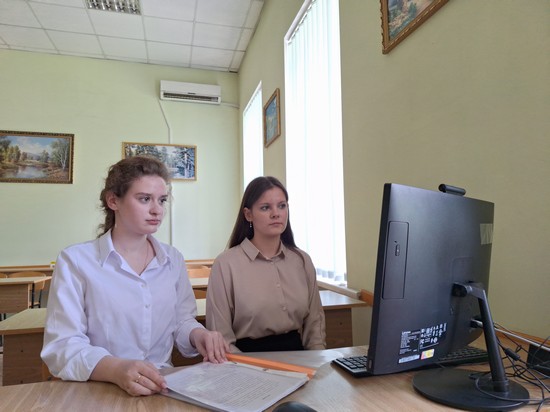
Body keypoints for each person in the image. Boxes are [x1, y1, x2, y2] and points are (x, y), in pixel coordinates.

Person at [41, 156, 229, 396]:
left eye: (162, 200)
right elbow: (62, 346)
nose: (157, 209)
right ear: (113, 201)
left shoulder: (172, 259)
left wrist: (197, 334)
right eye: (144, 199)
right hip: (99, 390)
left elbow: (182, 320)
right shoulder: (76, 261)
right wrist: (115, 369)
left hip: (161, 386)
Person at [206, 176, 326, 352]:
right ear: (248, 215)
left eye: (282, 206)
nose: (276, 213)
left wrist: (316, 362)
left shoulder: (302, 260)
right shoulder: (225, 264)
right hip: (245, 360)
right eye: (265, 207)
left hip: (299, 359)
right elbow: (222, 338)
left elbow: (314, 326)